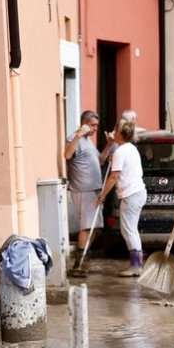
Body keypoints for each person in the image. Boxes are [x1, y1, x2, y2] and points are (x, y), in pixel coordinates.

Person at [97, 121, 146, 276]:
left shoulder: (120, 151)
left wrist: (102, 195)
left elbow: (113, 176)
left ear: (119, 133)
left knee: (128, 230)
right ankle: (137, 264)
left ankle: (136, 266)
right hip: (138, 192)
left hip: (130, 194)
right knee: (132, 229)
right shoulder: (130, 149)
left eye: (115, 129)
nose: (112, 131)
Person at [64, 110, 104, 266]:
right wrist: (78, 135)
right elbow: (67, 155)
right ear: (84, 124)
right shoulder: (75, 138)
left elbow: (100, 160)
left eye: (97, 126)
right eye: (93, 125)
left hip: (94, 190)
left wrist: (110, 145)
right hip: (83, 190)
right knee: (87, 227)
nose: (95, 129)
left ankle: (84, 254)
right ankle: (79, 263)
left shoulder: (89, 141)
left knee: (96, 227)